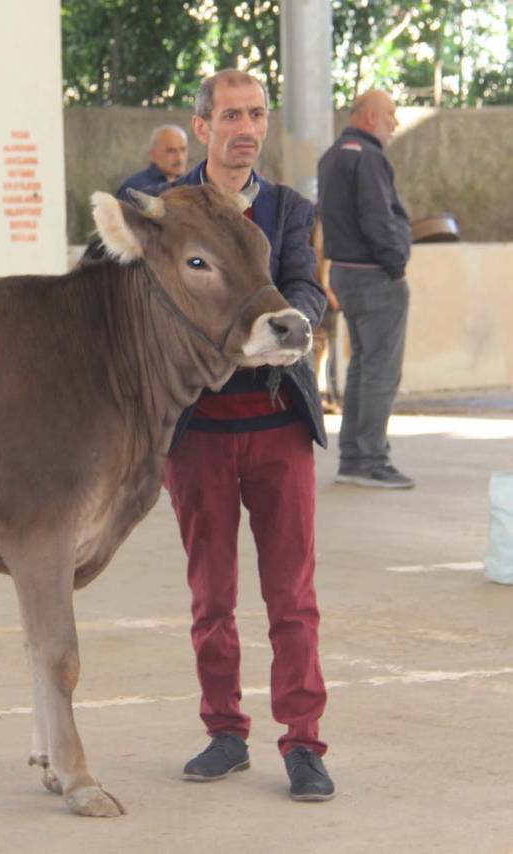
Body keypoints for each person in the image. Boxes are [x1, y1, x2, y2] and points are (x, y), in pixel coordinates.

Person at [155, 69, 335, 802]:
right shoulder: (168, 212)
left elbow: (309, 289)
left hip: (277, 426)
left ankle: (304, 744)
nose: (246, 128)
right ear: (202, 127)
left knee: (292, 596)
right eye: (231, 115)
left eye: (257, 114)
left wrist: (289, 321)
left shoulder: (290, 209)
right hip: (198, 433)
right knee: (212, 596)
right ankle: (225, 733)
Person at [317, 89, 414, 489]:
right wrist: (396, 264)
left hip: (345, 272)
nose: (395, 122)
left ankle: (353, 458)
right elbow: (378, 218)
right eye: (390, 113)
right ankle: (371, 460)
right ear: (370, 116)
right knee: (380, 371)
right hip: (375, 275)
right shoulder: (369, 157)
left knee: (362, 366)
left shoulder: (332, 156)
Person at [115, 124, 188, 201]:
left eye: (183, 149)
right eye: (171, 151)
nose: (180, 158)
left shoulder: (192, 182)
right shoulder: (135, 188)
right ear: (153, 154)